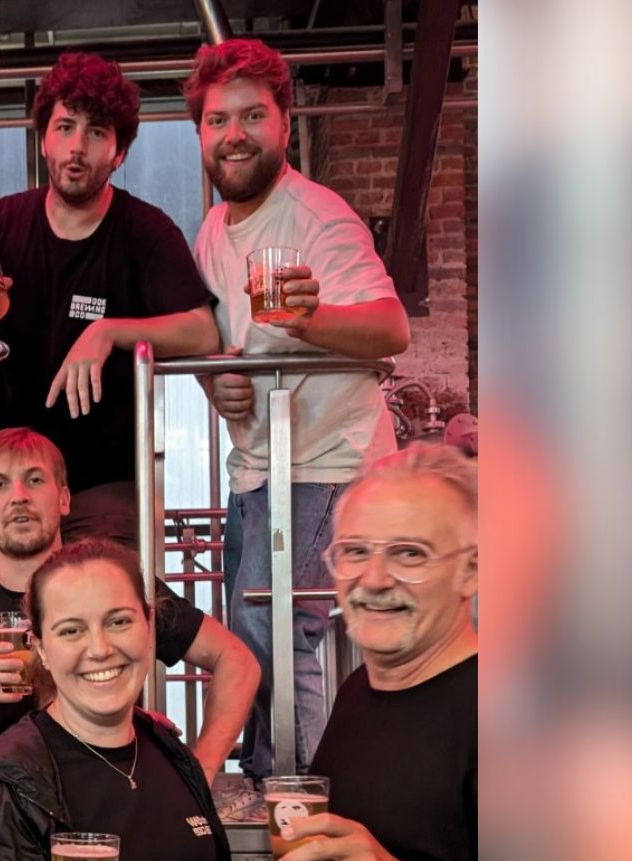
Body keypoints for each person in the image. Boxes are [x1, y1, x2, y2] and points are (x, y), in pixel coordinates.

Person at [183, 38, 411, 780]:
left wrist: (309, 323)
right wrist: (218, 381)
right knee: (247, 635)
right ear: (201, 134)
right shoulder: (212, 231)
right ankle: (263, 772)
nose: (234, 134)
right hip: (256, 466)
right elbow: (216, 347)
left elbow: (392, 329)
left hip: (324, 458)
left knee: (273, 627)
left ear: (284, 123)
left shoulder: (319, 215)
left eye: (253, 116)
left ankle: (297, 789)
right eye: (218, 121)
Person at [0, 51, 220, 550]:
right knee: (18, 620)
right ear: (44, 137)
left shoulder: (147, 230)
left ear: (118, 152)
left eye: (96, 132)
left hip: (108, 481)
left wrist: (109, 331)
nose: (77, 147)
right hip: (19, 476)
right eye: (65, 127)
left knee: (95, 611)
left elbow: (202, 330)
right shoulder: (0, 223)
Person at [0, 539, 231, 861]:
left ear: (150, 625)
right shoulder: (2, 783)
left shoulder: (170, 751)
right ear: (41, 648)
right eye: (71, 630)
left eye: (118, 622)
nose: (100, 649)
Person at [0, 427, 260, 773]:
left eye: (35, 480)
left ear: (65, 499)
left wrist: (200, 772)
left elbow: (236, 661)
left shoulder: (116, 584)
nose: (19, 496)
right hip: (9, 814)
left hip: (113, 798)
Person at [269, 444, 477, 861]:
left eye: (410, 554)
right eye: (355, 552)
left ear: (472, 570)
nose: (375, 579)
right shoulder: (359, 689)